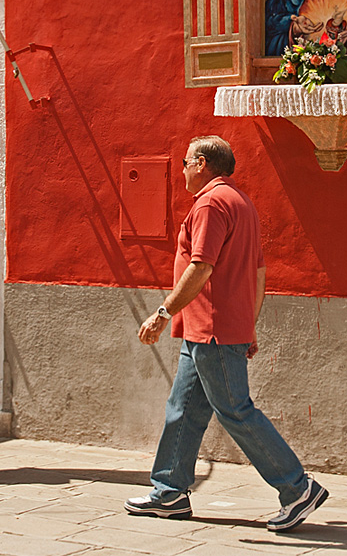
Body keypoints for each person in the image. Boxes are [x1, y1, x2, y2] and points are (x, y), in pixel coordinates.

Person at [126, 136, 328, 532]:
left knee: (235, 410)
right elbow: (259, 273)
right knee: (183, 410)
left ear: (201, 163)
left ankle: (297, 488)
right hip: (214, 330)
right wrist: (248, 324)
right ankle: (169, 491)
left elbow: (201, 266)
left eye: (186, 162)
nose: (183, 169)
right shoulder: (242, 203)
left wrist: (163, 312)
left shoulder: (210, 203)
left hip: (213, 329)